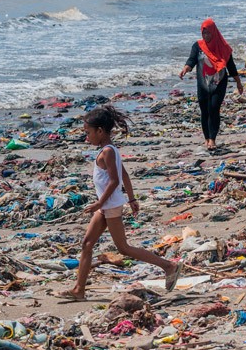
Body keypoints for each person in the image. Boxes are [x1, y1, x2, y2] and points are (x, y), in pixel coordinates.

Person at [56, 105, 182, 301]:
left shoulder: (107, 151)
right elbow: (123, 173)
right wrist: (131, 198)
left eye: (88, 133)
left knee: (123, 247)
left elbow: (115, 180)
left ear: (100, 131)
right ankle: (79, 290)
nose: (86, 137)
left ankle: (169, 266)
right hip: (107, 205)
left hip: (110, 205)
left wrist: (99, 204)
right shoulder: (110, 150)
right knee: (87, 244)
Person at [179, 18, 245, 151]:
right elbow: (192, 59)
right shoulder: (197, 46)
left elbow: (231, 66)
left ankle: (213, 139)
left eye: (208, 33)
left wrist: (238, 82)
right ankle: (207, 138)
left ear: (214, 32)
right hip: (203, 83)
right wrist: (186, 68)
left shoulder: (223, 48)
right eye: (204, 33)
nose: (206, 36)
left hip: (219, 82)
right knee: (204, 110)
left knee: (214, 108)